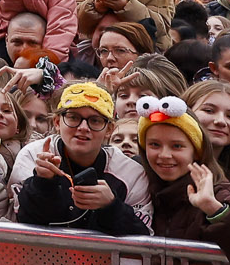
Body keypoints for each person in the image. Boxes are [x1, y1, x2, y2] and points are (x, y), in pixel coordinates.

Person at [11, 81, 150, 234]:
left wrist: (111, 206)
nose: (83, 128)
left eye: (95, 120)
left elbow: (144, 236)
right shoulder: (33, 155)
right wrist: (42, 183)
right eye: (73, 117)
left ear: (109, 129)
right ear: (57, 122)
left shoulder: (131, 173)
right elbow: (19, 222)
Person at [136, 94, 230, 265]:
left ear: (197, 151)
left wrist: (214, 209)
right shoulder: (139, 189)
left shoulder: (225, 195)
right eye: (154, 145)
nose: (164, 155)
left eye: (177, 146)